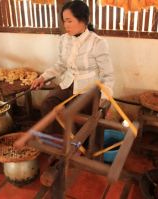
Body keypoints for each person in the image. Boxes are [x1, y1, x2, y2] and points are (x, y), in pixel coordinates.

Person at [31, 0, 114, 133]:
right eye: (64, 21)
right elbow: (60, 65)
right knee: (48, 104)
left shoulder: (98, 42)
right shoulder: (64, 40)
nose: (65, 25)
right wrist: (43, 77)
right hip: (68, 84)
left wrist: (105, 100)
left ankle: (82, 147)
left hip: (88, 89)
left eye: (69, 21)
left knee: (83, 116)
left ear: (83, 20)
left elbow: (107, 75)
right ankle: (62, 141)